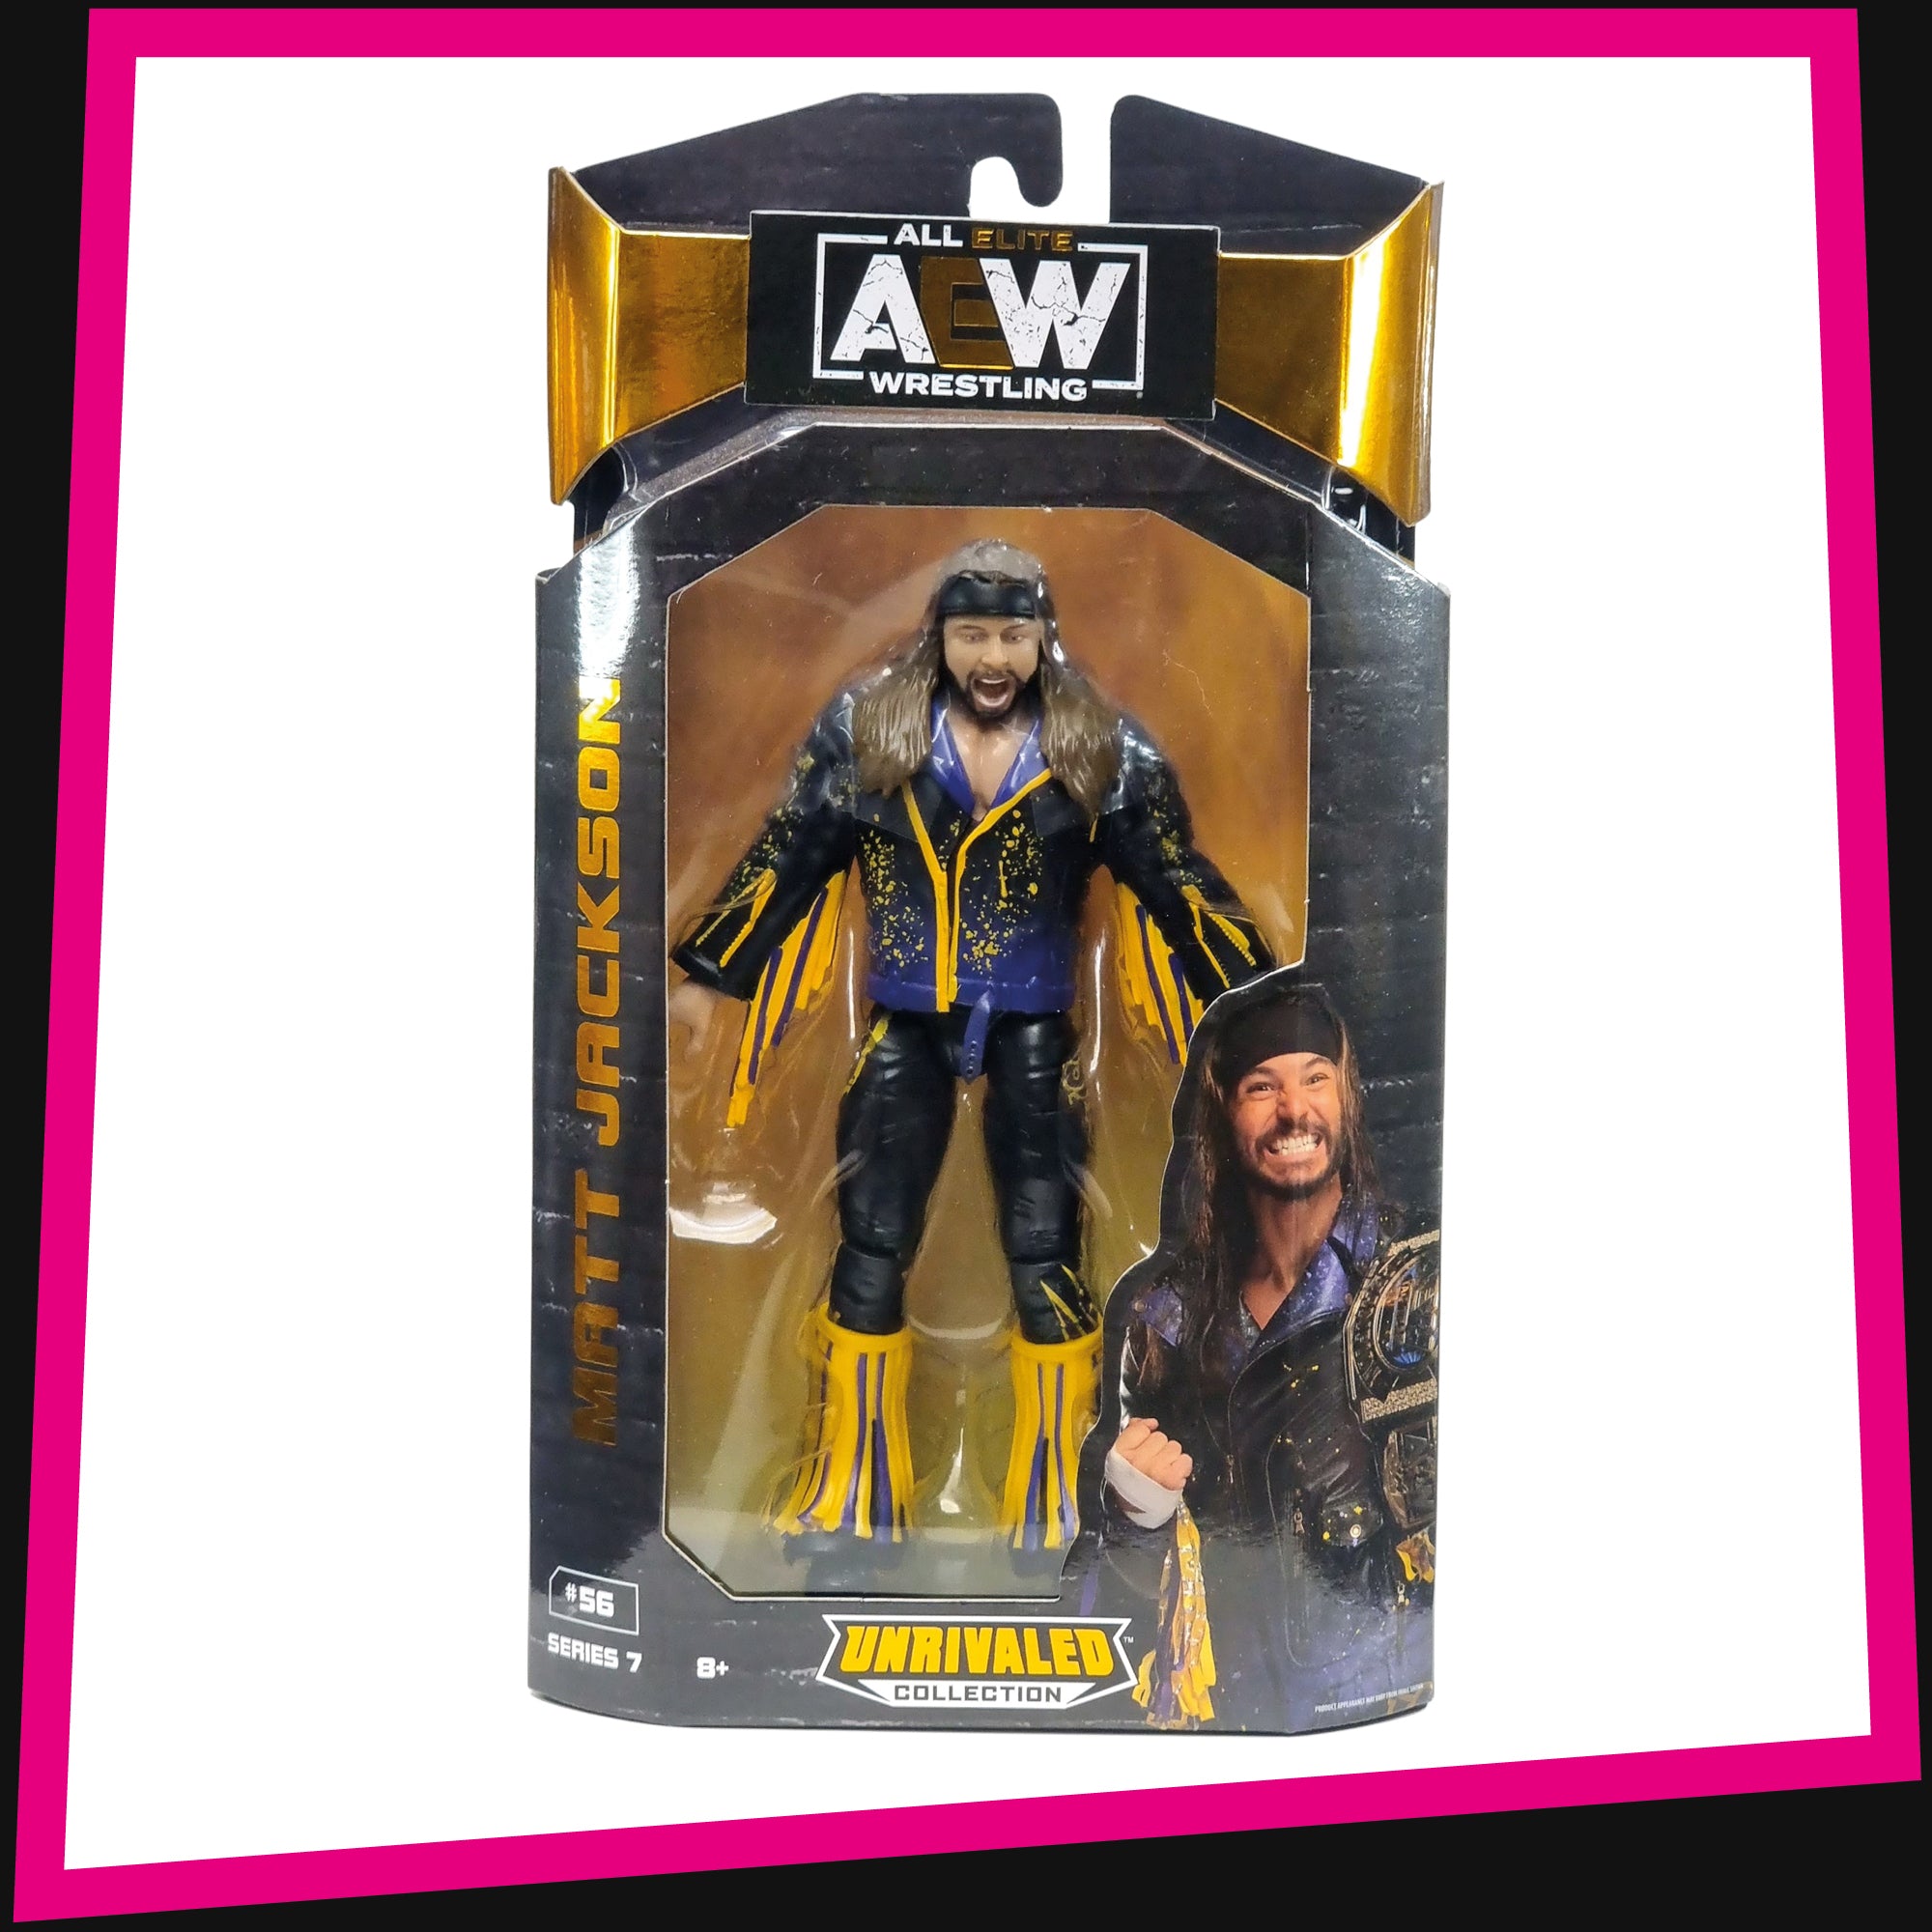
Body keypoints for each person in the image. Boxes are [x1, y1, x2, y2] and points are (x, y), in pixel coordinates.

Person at [668, 538, 1273, 1569]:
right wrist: (707, 974)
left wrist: (1252, 995)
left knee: (1047, 1261)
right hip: (901, 1028)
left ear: (1042, 639)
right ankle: (852, 1496)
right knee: (869, 1250)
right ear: (939, 636)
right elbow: (791, 850)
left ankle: (1054, 1497)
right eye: (971, 633)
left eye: (1011, 634)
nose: (992, 657)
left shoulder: (1094, 748)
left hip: (1035, 1035)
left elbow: (1175, 878)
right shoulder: (871, 731)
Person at [1080, 975, 1438, 1728]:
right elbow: (1115, 1606)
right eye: (1262, 1087)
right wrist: (1136, 1513)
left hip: (1371, 1709)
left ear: (1346, 1098)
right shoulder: (1167, 1319)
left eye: (1316, 1079)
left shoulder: (1418, 1280)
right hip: (1221, 1715)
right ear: (1223, 1114)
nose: (1294, 1110)